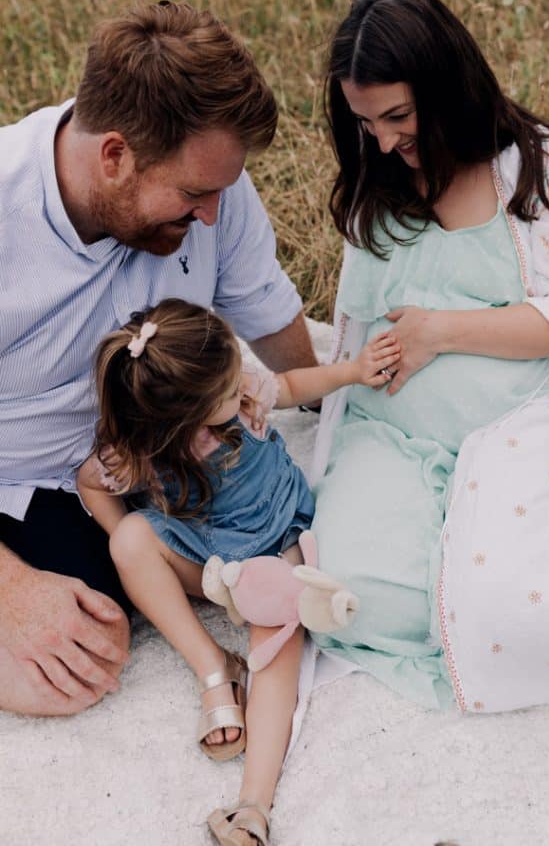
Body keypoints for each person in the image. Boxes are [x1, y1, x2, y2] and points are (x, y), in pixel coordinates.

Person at [309, 0, 549, 714]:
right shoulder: (376, 179)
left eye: (397, 117)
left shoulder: (534, 169)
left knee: (513, 622)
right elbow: (355, 325)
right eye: (364, 122)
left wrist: (439, 331)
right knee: (355, 602)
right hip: (391, 435)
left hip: (521, 423)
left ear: (445, 90)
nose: (382, 141)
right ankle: (543, 547)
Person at [0, 1, 319, 719]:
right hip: (21, 483)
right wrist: (11, 592)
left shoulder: (214, 189)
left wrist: (341, 408)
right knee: (70, 655)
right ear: (114, 156)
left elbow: (267, 311)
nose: (211, 215)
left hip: (151, 471)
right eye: (193, 194)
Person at [77, 297, 398, 846]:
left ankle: (253, 804)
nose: (244, 384)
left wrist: (352, 372)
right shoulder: (140, 449)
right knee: (130, 540)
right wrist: (145, 555)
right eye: (229, 388)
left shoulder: (242, 393)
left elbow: (291, 388)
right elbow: (90, 483)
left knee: (276, 640)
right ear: (184, 416)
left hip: (276, 543)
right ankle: (212, 666)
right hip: (207, 555)